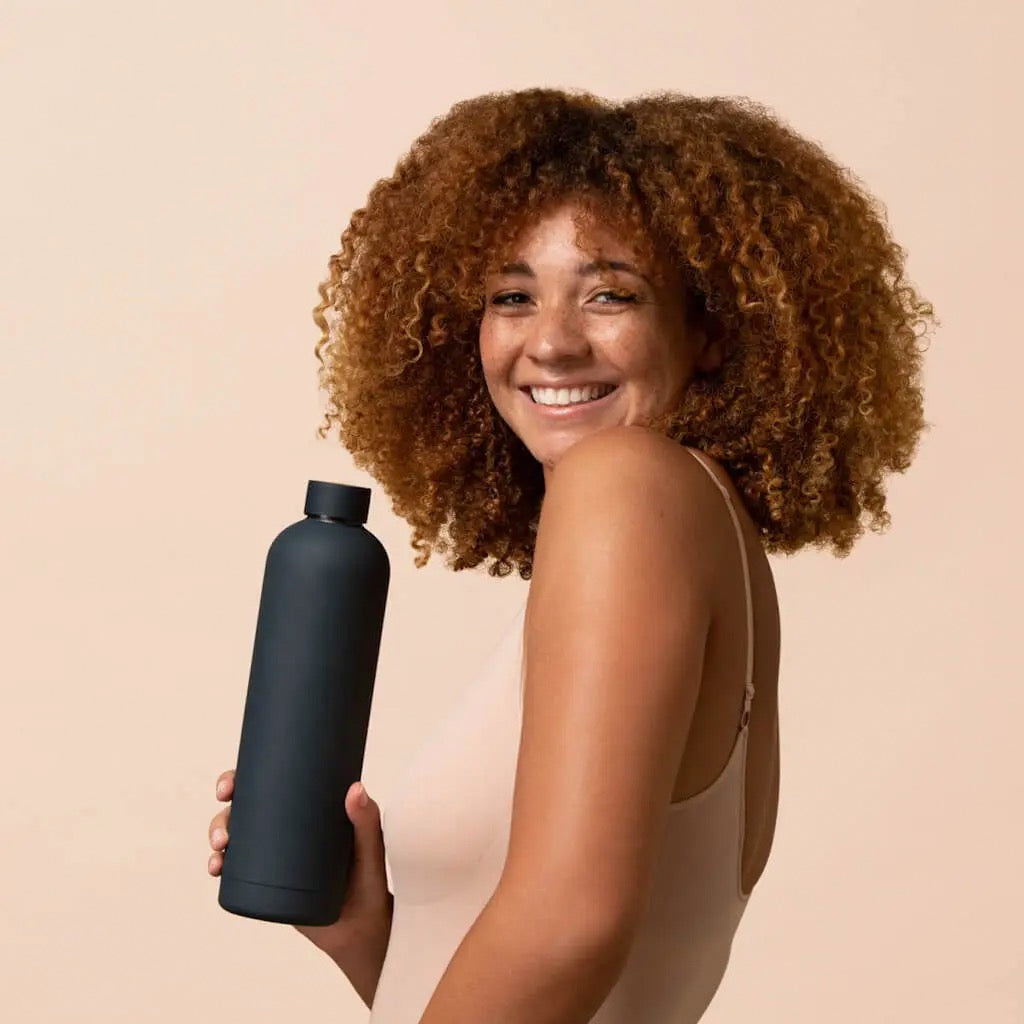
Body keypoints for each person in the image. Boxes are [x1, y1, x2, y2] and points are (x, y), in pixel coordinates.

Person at [207, 87, 936, 1021]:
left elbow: (571, 928)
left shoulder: (626, 485)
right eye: (512, 296)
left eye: (609, 294)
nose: (550, 341)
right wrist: (369, 930)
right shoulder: (695, 526)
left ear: (710, 326)